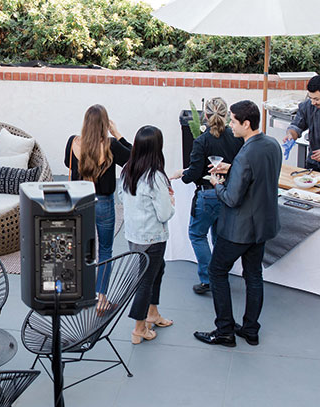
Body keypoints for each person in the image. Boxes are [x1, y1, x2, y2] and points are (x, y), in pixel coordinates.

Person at [195, 100, 282, 348]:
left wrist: (217, 184)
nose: (229, 124)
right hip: (262, 226)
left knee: (216, 271)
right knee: (254, 275)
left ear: (246, 123)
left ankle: (224, 330)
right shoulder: (272, 145)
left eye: (233, 121)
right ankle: (251, 330)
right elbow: (258, 174)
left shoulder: (245, 154)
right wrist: (232, 168)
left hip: (239, 229)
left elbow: (232, 198)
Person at [169, 98, 243, 295]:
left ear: (206, 116)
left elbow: (193, 174)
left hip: (207, 194)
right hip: (228, 194)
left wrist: (182, 175)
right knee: (219, 236)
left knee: (197, 234)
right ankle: (220, 274)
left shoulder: (201, 141)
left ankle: (208, 277)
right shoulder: (236, 137)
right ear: (227, 116)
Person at [65, 105, 131, 304]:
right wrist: (117, 133)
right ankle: (101, 298)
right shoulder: (112, 145)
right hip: (103, 203)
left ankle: (76, 292)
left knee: (77, 248)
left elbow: (69, 165)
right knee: (105, 250)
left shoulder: (72, 142)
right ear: (105, 124)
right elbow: (134, 157)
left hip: (79, 202)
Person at [117, 126, 175, 343]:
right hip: (153, 238)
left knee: (156, 272)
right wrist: (172, 202)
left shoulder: (127, 170)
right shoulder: (155, 176)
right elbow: (164, 214)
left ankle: (153, 313)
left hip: (134, 235)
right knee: (146, 281)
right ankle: (139, 328)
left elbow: (121, 199)